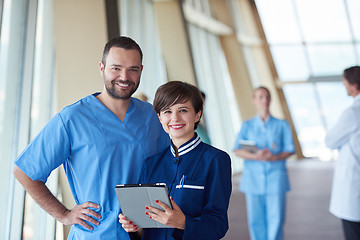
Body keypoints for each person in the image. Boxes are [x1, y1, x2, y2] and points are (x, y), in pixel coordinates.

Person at [13, 36, 170, 240]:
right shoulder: (72, 119)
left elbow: (169, 169)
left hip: (145, 232)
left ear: (141, 70)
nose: (124, 76)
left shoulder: (152, 116)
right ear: (102, 68)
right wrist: (64, 215)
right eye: (116, 68)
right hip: (95, 233)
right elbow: (25, 172)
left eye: (132, 69)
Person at [119, 81, 232, 240]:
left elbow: (218, 224)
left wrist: (184, 222)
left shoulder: (216, 160)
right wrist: (135, 226)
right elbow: (146, 225)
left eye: (183, 110)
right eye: (167, 111)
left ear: (198, 114)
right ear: (159, 117)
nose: (175, 118)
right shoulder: (150, 164)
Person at [233, 86, 294, 240]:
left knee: (277, 219)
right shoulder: (247, 125)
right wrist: (256, 156)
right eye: (260, 97)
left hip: (276, 179)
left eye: (267, 96)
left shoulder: (282, 125)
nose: (264, 100)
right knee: (255, 220)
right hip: (252, 180)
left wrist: (273, 157)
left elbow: (290, 149)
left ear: (270, 99)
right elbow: (237, 150)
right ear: (254, 100)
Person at [325, 66, 360, 240]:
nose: (344, 85)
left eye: (345, 82)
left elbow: (330, 141)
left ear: (353, 86)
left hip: (354, 188)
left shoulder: (353, 112)